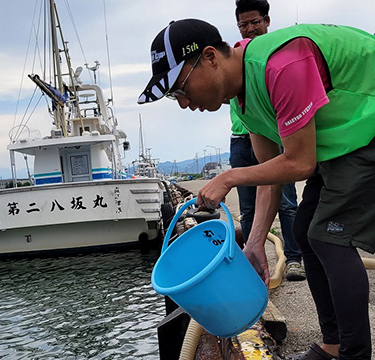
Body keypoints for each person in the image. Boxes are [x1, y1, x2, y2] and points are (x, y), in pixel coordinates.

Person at [137, 18, 374, 360]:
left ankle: (355, 354)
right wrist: (255, 243)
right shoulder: (242, 99)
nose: (184, 103)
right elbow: (271, 175)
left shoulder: (280, 65)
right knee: (304, 229)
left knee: (328, 235)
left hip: (367, 126)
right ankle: (334, 344)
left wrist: (229, 177)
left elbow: (300, 163)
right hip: (348, 138)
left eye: (180, 88)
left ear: (210, 57)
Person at [231, 0, 305, 281]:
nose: (249, 29)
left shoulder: (275, 56)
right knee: (248, 207)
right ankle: (253, 255)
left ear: (267, 21)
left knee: (286, 202)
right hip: (241, 138)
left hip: (275, 135)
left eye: (255, 23)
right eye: (243, 25)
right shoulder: (235, 58)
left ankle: (295, 259)